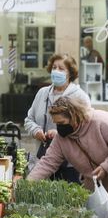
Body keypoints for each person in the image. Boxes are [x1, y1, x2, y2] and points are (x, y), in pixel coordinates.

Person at [24, 53, 90, 183]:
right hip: (45, 158)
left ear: (70, 73)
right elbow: (29, 119)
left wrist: (60, 133)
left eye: (61, 68)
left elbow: (86, 129)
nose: (56, 71)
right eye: (54, 67)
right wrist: (35, 130)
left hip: (70, 163)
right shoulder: (43, 93)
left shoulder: (80, 97)